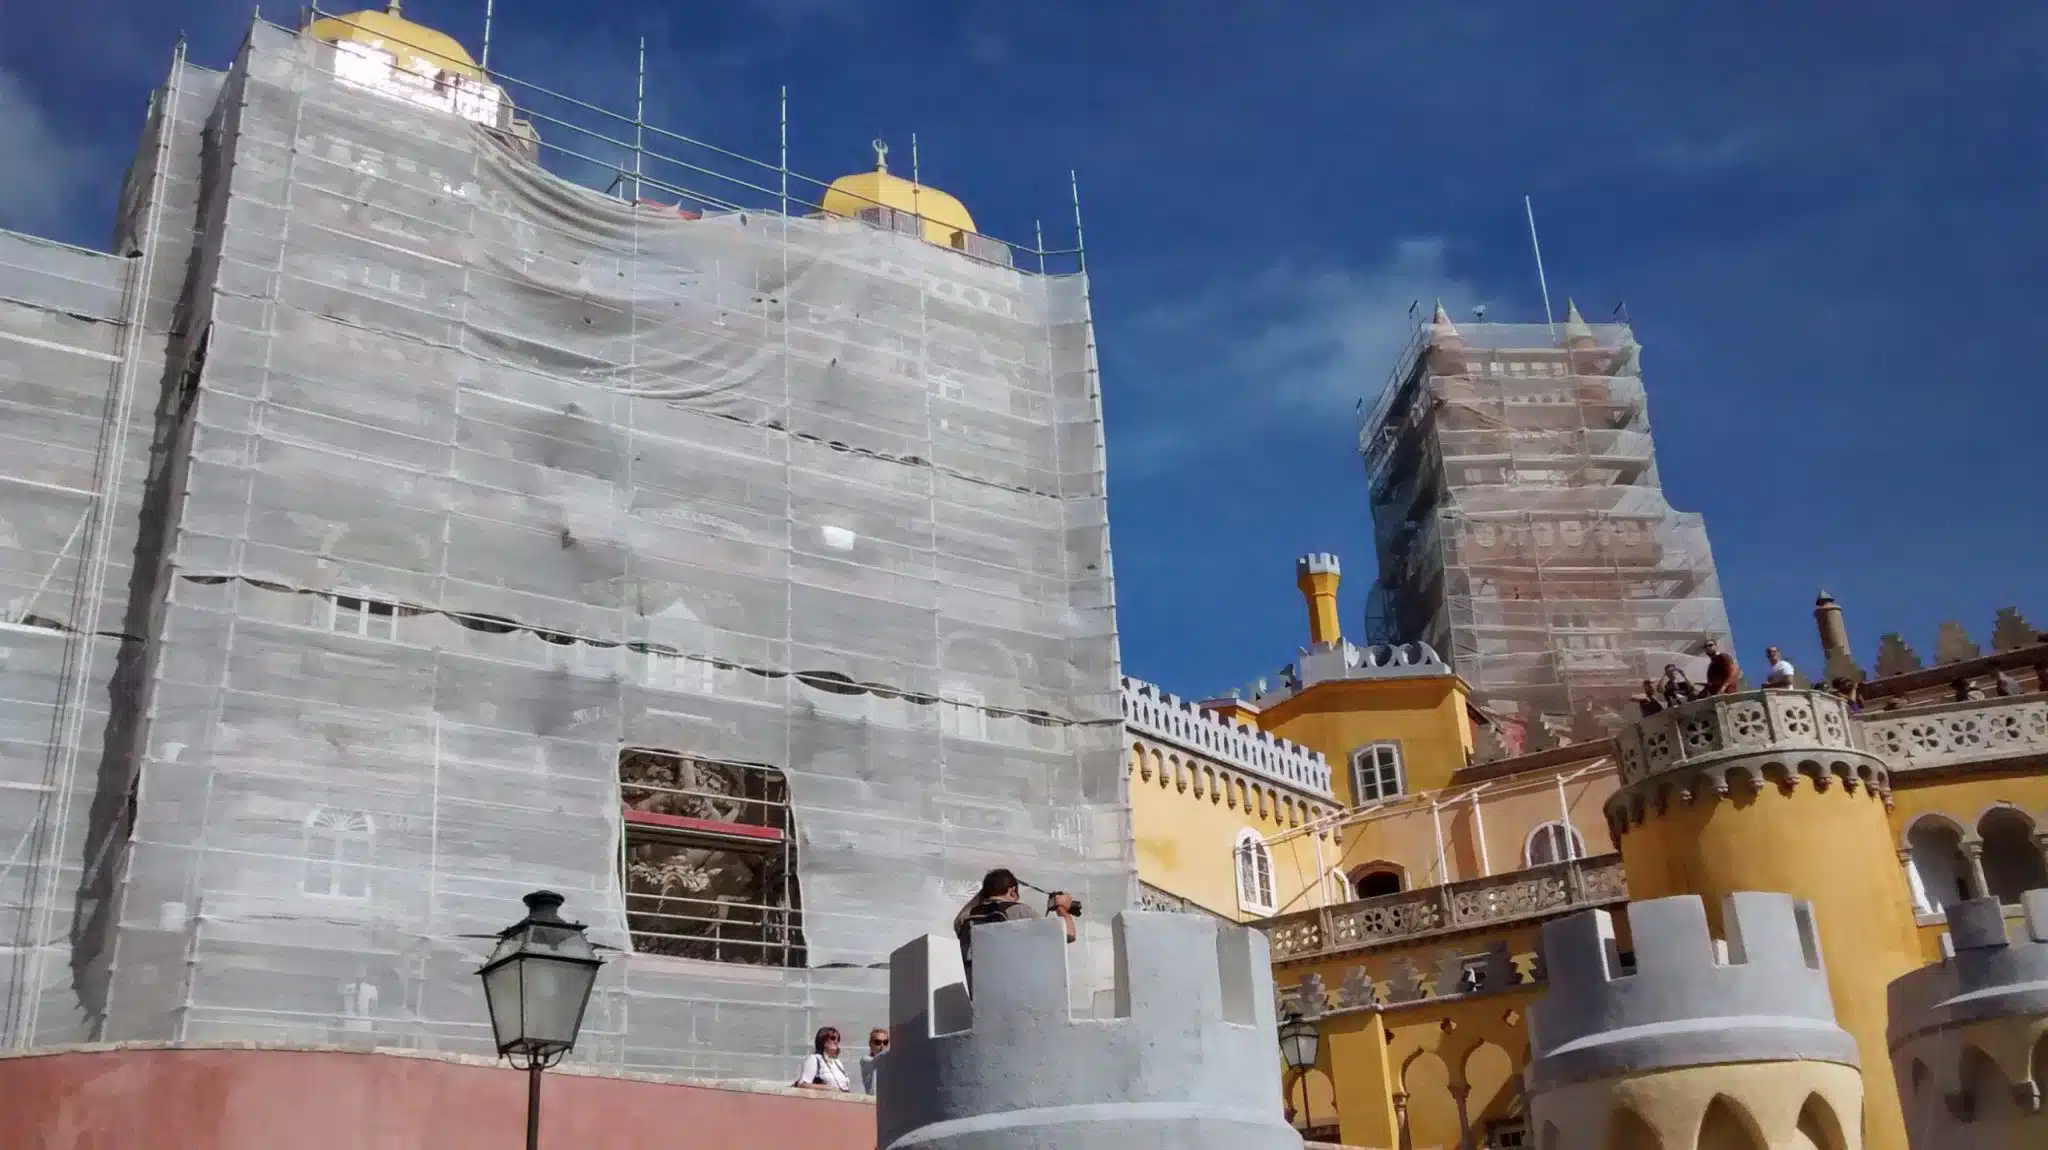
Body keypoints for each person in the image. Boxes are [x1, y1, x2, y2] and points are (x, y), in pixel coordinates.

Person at [954, 867, 1076, 991]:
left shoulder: (966, 920)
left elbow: (957, 921)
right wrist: (1061, 907)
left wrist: (989, 889)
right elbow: (1069, 934)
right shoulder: (1020, 912)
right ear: (1012, 891)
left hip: (978, 994)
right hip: (1015, 993)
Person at [794, 1026, 851, 1092]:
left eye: (838, 1039)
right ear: (823, 1040)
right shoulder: (814, 1059)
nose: (836, 1041)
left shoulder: (837, 1062)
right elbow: (802, 1084)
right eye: (833, 1038)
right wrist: (828, 1088)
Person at [859, 1028, 888, 1096]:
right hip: (873, 1101)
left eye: (885, 1042)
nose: (882, 1046)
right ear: (871, 1044)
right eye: (878, 1042)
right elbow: (877, 1060)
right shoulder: (865, 1060)